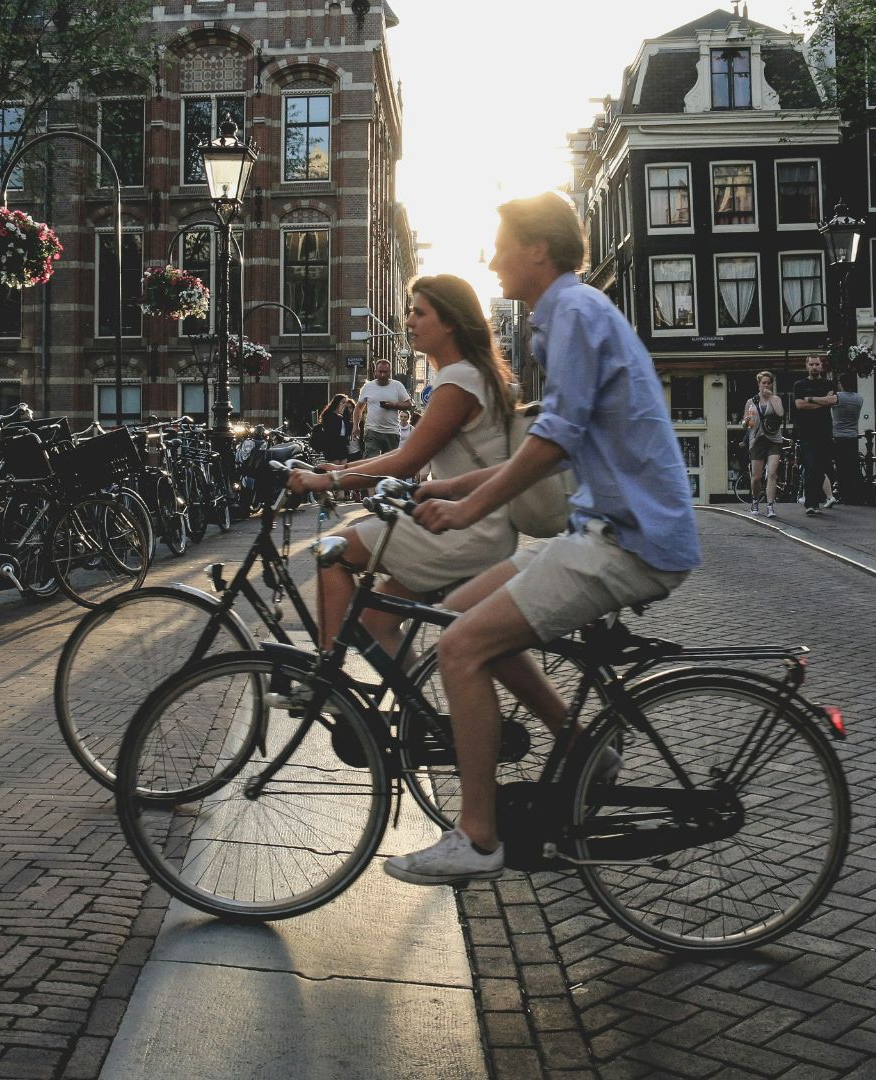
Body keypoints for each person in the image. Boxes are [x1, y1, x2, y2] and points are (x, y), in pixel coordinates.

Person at [394, 192, 700, 886]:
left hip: (630, 540)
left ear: (537, 249)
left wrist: (470, 509)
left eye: (502, 245)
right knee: (458, 614)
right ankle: (586, 747)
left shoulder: (574, 312)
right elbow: (559, 442)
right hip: (604, 528)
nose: (493, 260)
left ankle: (477, 838)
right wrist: (453, 489)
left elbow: (555, 439)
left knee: (460, 647)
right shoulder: (564, 315)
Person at [287, 275, 519, 653]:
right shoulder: (475, 373)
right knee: (377, 623)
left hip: (464, 529)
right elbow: (406, 453)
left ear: (450, 321)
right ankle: (405, 695)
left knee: (334, 551)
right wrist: (341, 471)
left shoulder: (459, 379)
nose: (409, 321)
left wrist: (329, 482)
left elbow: (408, 458)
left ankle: (327, 674)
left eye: (419, 312)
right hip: (479, 526)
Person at [791, 355, 837, 516]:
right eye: (811, 364)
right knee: (810, 466)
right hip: (807, 432)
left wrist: (810, 399)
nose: (814, 367)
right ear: (807, 366)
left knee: (821, 468)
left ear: (821, 366)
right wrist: (822, 402)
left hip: (825, 431)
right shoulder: (799, 385)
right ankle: (811, 504)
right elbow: (799, 405)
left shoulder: (828, 383)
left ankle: (815, 501)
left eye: (817, 364)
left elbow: (833, 400)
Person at [742, 371, 788, 517]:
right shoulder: (751, 402)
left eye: (769, 383)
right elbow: (746, 423)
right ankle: (755, 500)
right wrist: (746, 422)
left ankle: (770, 506)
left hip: (774, 440)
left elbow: (780, 413)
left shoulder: (776, 399)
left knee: (772, 473)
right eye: (764, 383)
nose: (766, 385)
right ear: (759, 384)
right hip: (757, 440)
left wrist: (771, 397)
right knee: (756, 477)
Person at [355, 358, 411, 457]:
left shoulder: (397, 386)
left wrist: (393, 405)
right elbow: (359, 408)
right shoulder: (368, 387)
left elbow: (408, 405)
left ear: (390, 373)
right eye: (380, 372)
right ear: (375, 372)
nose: (382, 375)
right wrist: (356, 426)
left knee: (390, 462)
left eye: (385, 372)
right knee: (370, 460)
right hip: (372, 431)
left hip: (391, 431)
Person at [830, 371, 867, 506]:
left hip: (839, 436)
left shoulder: (837, 397)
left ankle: (844, 495)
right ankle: (855, 495)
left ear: (841, 384)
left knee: (841, 467)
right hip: (852, 436)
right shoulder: (859, 398)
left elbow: (825, 402)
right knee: (852, 467)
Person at [313, 394, 355, 465]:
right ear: (337, 403)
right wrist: (339, 417)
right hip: (332, 445)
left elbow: (348, 427)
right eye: (343, 402)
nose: (345, 405)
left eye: (346, 403)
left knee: (344, 466)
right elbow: (331, 432)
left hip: (342, 444)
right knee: (335, 465)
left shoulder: (344, 415)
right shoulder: (329, 414)